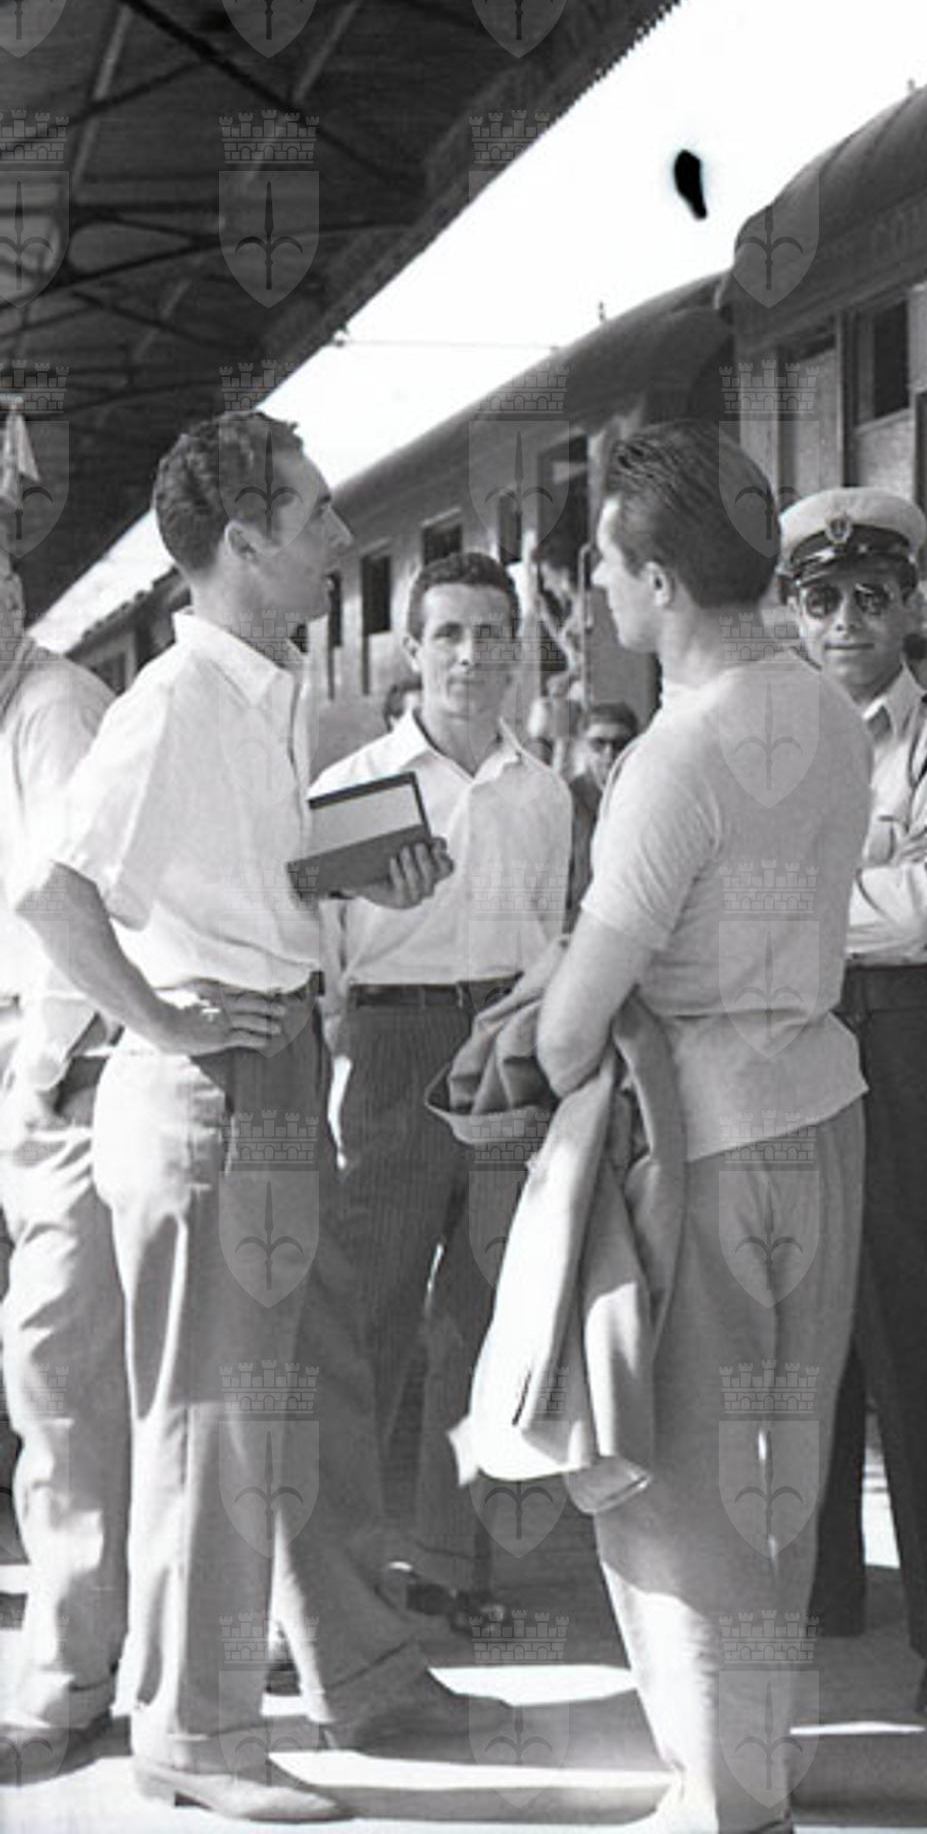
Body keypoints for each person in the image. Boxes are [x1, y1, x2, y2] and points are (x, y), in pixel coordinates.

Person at [17, 413, 500, 1823]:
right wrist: (163, 1021)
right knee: (214, 1427)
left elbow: (243, 866)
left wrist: (350, 869)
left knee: (319, 1392)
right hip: (213, 1084)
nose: (338, 538)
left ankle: (366, 1675)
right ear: (241, 543)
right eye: (313, 514)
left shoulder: (263, 688)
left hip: (280, 1061)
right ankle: (197, 1734)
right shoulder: (171, 700)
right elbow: (54, 892)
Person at [537, 422, 872, 1834]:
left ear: (662, 580)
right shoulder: (831, 715)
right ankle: (761, 1760)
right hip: (827, 1115)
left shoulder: (672, 758)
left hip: (705, 1146)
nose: (598, 595)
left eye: (607, 570)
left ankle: (724, 1797)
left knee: (678, 1480)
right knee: (784, 1464)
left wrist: (569, 1004)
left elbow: (567, 1037)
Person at [781, 488, 927, 1723]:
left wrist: (797, 905)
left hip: (905, 1037)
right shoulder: (770, 738)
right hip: (791, 1030)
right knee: (800, 1317)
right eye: (821, 598)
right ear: (792, 613)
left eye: (872, 595)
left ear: (910, 603)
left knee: (919, 1324)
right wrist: (851, 891)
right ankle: (823, 1590)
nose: (847, 621)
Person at [315, 548, 570, 1616]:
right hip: (393, 1046)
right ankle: (331, 1581)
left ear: (517, 652)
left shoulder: (542, 792)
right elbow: (321, 954)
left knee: (483, 1313)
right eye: (449, 634)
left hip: (507, 1046)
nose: (470, 654)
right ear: (413, 652)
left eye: (490, 633)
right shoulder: (355, 789)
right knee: (368, 1312)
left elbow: (552, 936)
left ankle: (453, 1565)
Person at [0, 538, 125, 1783]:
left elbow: (69, 909)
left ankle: (70, 1675)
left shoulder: (52, 710)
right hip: (34, 1065)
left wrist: (31, 1072)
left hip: (66, 1069)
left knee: (61, 1369)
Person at [567, 700, 639, 915]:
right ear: (582, 747)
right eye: (598, 744)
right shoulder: (565, 800)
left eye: (620, 744)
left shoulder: (647, 797)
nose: (609, 754)